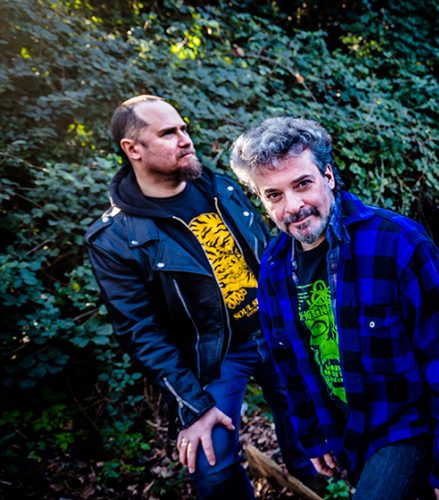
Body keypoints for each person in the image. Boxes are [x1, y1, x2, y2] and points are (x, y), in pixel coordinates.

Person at [229, 117, 439, 499]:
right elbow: (289, 366)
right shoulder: (274, 266)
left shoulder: (397, 242)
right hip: (347, 430)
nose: (293, 206)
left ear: (328, 176)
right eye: (274, 195)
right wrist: (313, 435)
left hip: (406, 426)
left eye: (302, 184)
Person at [84, 95, 316, 498]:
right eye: (168, 133)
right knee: (214, 469)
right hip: (213, 356)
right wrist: (192, 404)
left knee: (308, 429)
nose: (185, 139)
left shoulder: (219, 186)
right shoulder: (116, 238)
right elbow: (140, 332)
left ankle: (316, 488)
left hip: (274, 329)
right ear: (132, 149)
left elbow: (268, 253)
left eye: (184, 128)